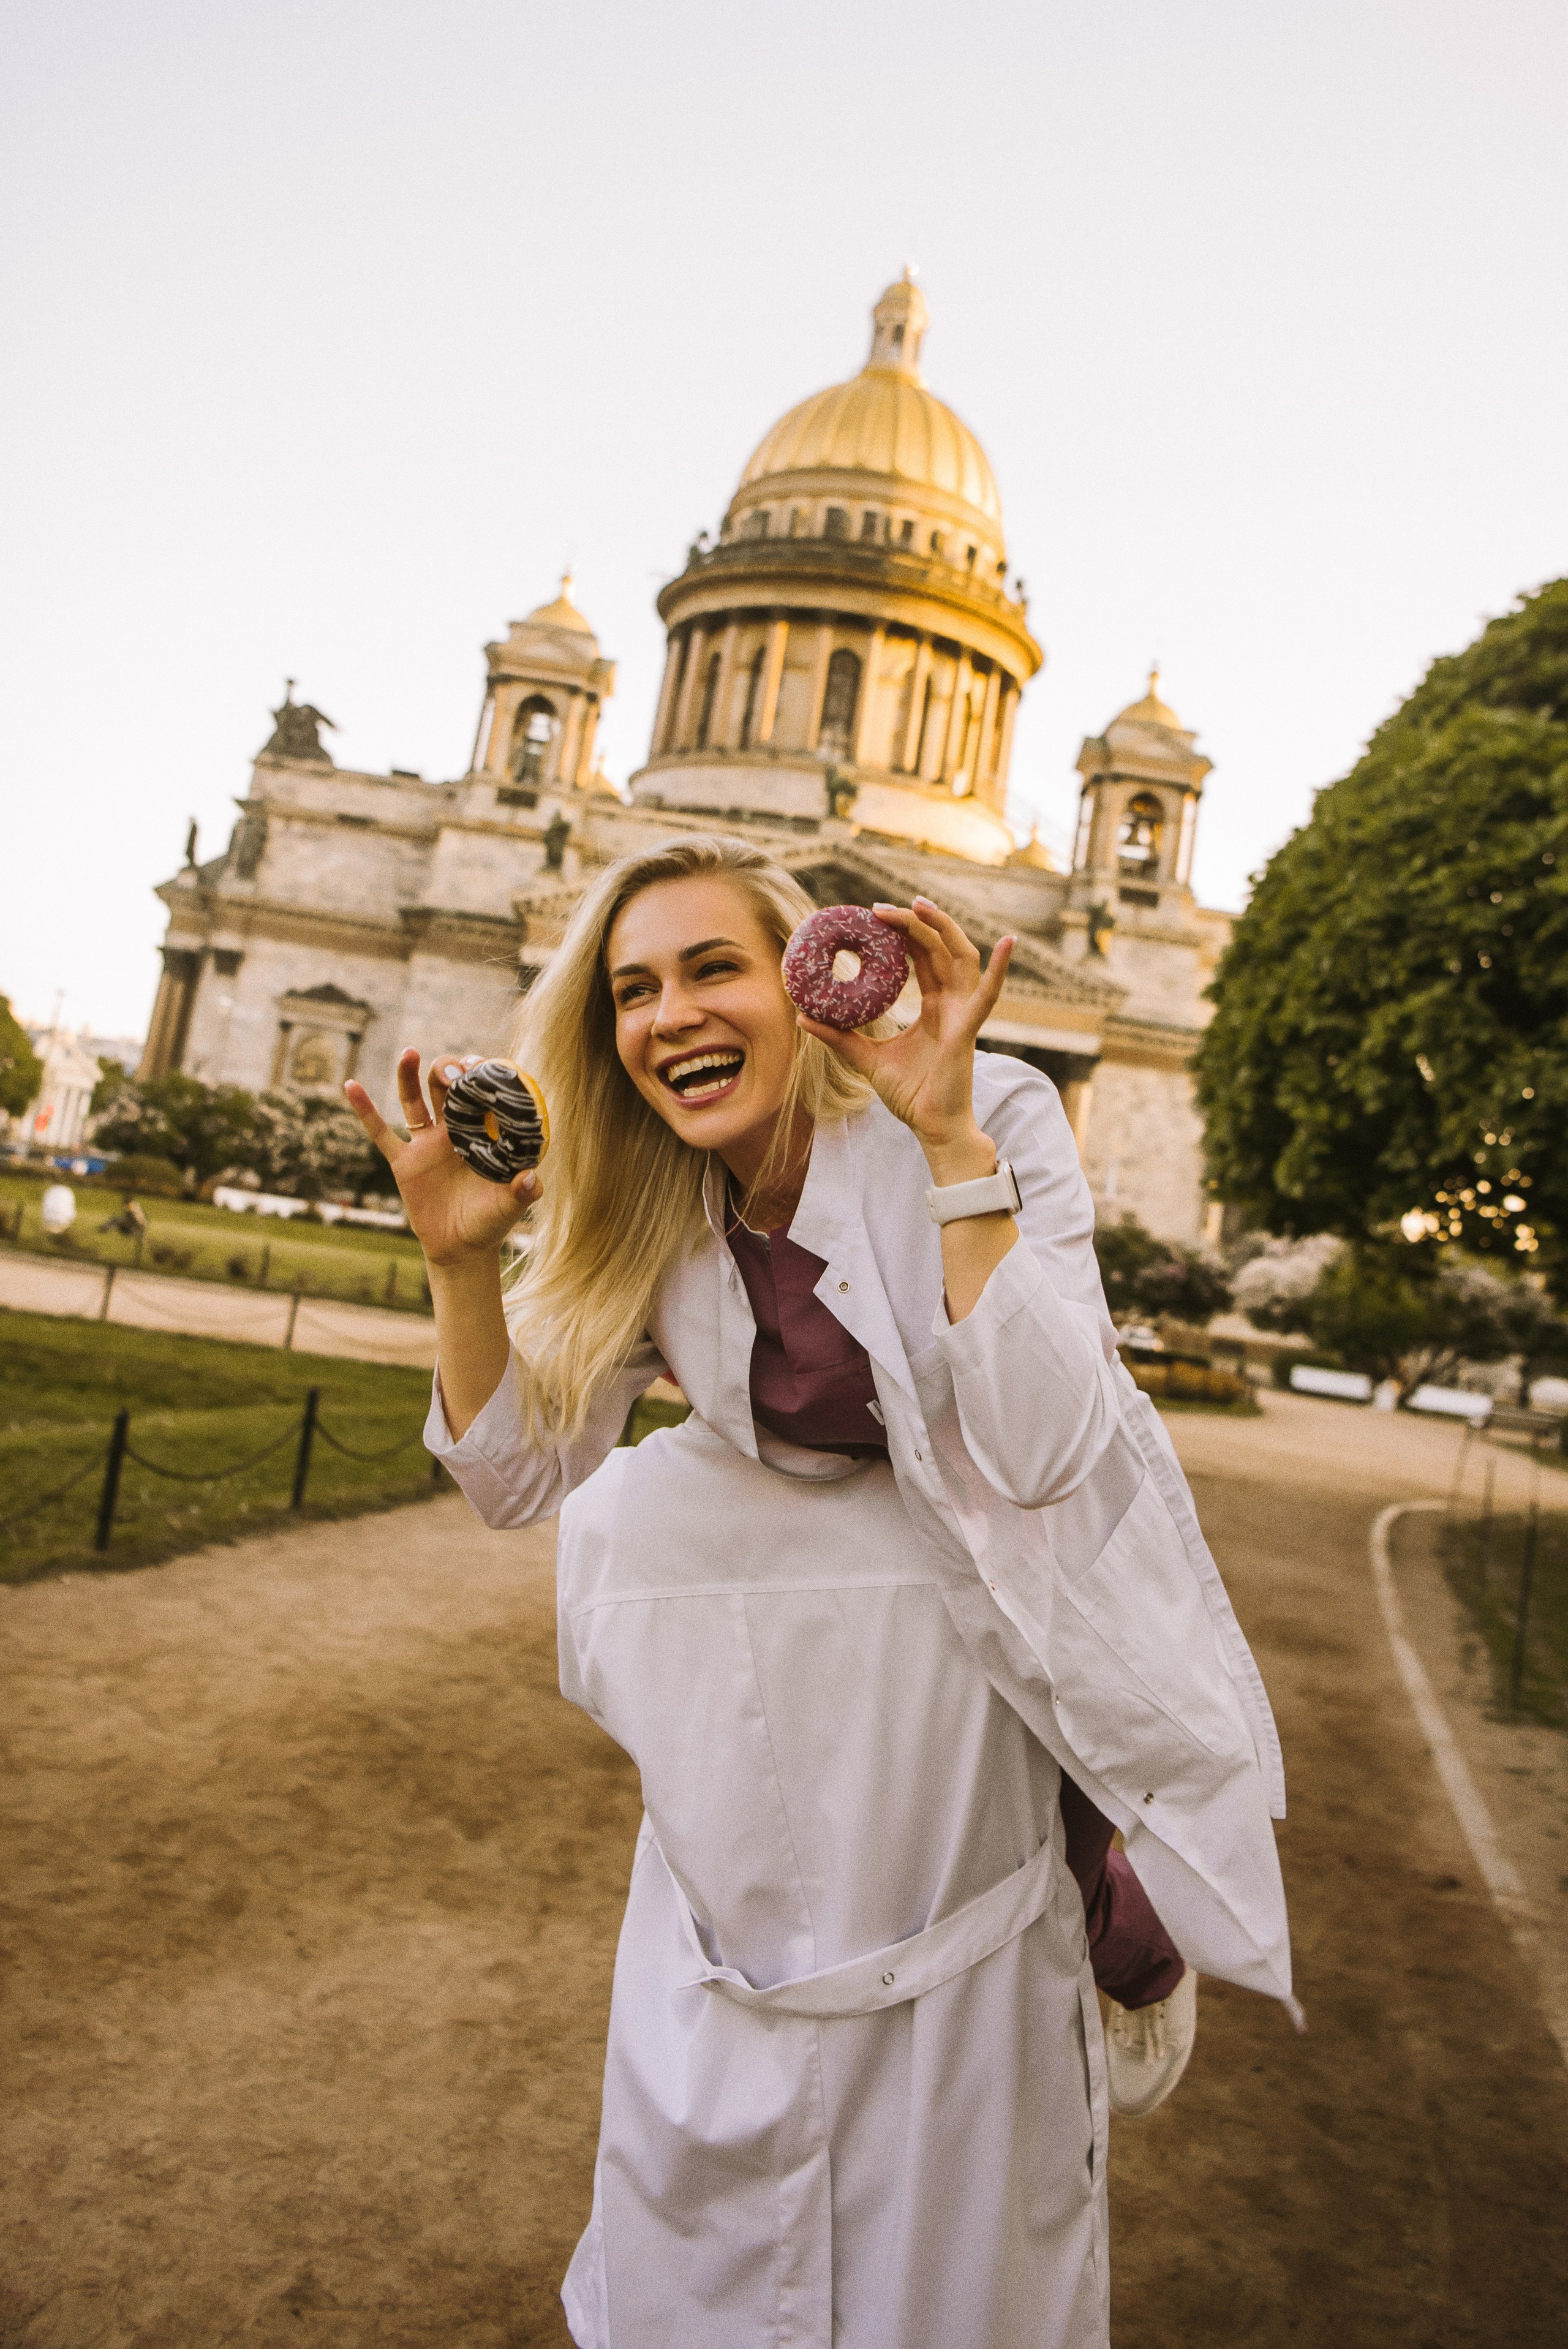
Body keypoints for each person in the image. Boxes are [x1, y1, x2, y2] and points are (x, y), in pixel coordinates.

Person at [345, 835, 1292, 2349]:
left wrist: (947, 1143)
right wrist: (460, 1262)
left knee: (1010, 2016)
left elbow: (1046, 1448)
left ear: (802, 979)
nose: (667, 1018)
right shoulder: (644, 1190)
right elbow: (519, 1478)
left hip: (1005, 1610)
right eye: (631, 990)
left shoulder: (995, 1108)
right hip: (811, 1658)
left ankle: (1098, 1884)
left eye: (712, 967)